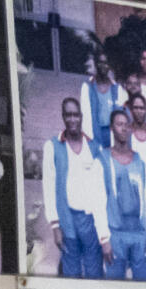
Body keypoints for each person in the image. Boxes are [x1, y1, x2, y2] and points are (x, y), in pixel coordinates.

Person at [46, 94, 109, 276]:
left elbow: (100, 190)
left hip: (89, 220)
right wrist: (55, 226)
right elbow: (49, 187)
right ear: (63, 117)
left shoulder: (94, 147)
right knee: (71, 268)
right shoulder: (53, 146)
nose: (72, 119)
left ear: (81, 116)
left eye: (76, 115)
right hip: (67, 218)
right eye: (68, 115)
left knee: (93, 268)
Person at [103, 107, 146, 281]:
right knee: (114, 287)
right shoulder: (103, 159)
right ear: (112, 128)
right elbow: (98, 201)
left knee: (144, 284)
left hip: (139, 233)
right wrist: (104, 239)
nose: (123, 128)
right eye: (119, 124)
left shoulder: (140, 161)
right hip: (116, 233)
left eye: (126, 125)